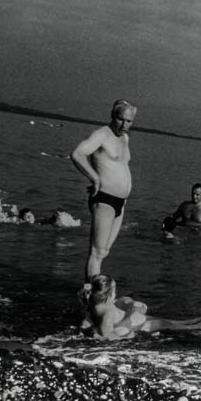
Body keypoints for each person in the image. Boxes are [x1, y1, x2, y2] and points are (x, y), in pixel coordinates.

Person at [71, 99, 136, 279]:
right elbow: (77, 154)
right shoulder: (102, 134)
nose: (124, 125)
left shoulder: (124, 138)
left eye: (129, 121)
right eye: (120, 119)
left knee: (104, 251)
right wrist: (95, 178)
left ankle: (94, 291)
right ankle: (90, 292)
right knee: (97, 252)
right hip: (104, 198)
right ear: (113, 116)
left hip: (120, 202)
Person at [84, 274, 201, 340]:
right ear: (108, 296)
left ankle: (187, 323)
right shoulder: (108, 313)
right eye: (114, 291)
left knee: (162, 321)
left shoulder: (93, 304)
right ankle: (194, 327)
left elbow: (91, 321)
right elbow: (107, 336)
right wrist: (127, 336)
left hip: (128, 320)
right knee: (163, 323)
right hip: (130, 326)